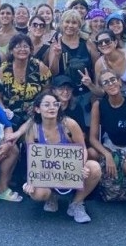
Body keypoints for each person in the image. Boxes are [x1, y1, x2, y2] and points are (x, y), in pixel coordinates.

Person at [21, 92, 102, 223]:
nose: (52, 108)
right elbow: (32, 156)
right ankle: (51, 196)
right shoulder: (33, 129)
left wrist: (80, 166)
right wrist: (31, 180)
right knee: (37, 193)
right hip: (46, 171)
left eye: (55, 104)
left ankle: (76, 203)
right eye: (46, 105)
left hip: (70, 169)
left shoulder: (69, 125)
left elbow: (82, 149)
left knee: (94, 168)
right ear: (37, 109)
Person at [89, 70, 126, 200]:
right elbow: (92, 138)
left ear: (119, 82)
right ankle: (98, 185)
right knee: (91, 153)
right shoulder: (99, 106)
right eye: (106, 82)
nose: (110, 84)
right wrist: (107, 154)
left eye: (113, 80)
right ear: (103, 88)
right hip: (112, 145)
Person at [0, 33, 52, 131]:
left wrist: (39, 104)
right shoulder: (4, 70)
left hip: (35, 116)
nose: (22, 49)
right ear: (11, 50)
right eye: (17, 47)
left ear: (30, 49)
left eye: (25, 46)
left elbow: (47, 88)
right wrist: (3, 110)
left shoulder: (39, 67)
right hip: (11, 117)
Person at [92, 29, 126, 98]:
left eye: (107, 41)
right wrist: (89, 84)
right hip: (116, 98)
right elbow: (101, 91)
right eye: (100, 43)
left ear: (115, 42)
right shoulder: (99, 64)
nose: (104, 44)